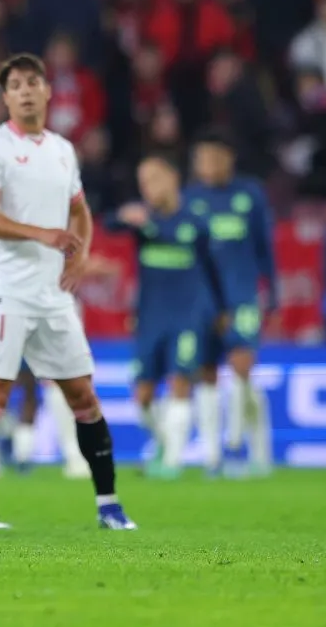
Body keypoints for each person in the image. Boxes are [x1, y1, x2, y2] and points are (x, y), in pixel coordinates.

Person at [0, 53, 135, 530]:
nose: (25, 91)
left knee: (82, 394)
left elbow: (80, 212)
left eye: (33, 82)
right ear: (5, 98)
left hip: (52, 293)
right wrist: (43, 234)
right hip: (5, 288)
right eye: (15, 85)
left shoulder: (63, 150)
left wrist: (80, 256)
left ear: (48, 91)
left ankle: (109, 506)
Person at [105, 156, 227, 478]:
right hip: (149, 317)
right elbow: (109, 224)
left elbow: (213, 269)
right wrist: (124, 215)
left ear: (172, 179)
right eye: (143, 182)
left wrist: (221, 309)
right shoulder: (141, 219)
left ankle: (173, 462)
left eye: (153, 179)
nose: (148, 188)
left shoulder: (194, 221)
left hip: (187, 316)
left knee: (180, 382)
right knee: (143, 396)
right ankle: (163, 443)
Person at [0, 231, 91, 479]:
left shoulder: (50, 224)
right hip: (2, 311)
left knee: (42, 384)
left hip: (42, 310)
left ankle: (51, 454)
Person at [185, 129, 276, 477]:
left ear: (228, 158)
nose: (206, 164)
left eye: (213, 157)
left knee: (241, 365)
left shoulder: (250, 194)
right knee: (206, 372)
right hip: (202, 300)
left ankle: (244, 447)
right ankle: (212, 455)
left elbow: (264, 246)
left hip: (242, 296)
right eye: (201, 158)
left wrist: (274, 292)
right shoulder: (190, 198)